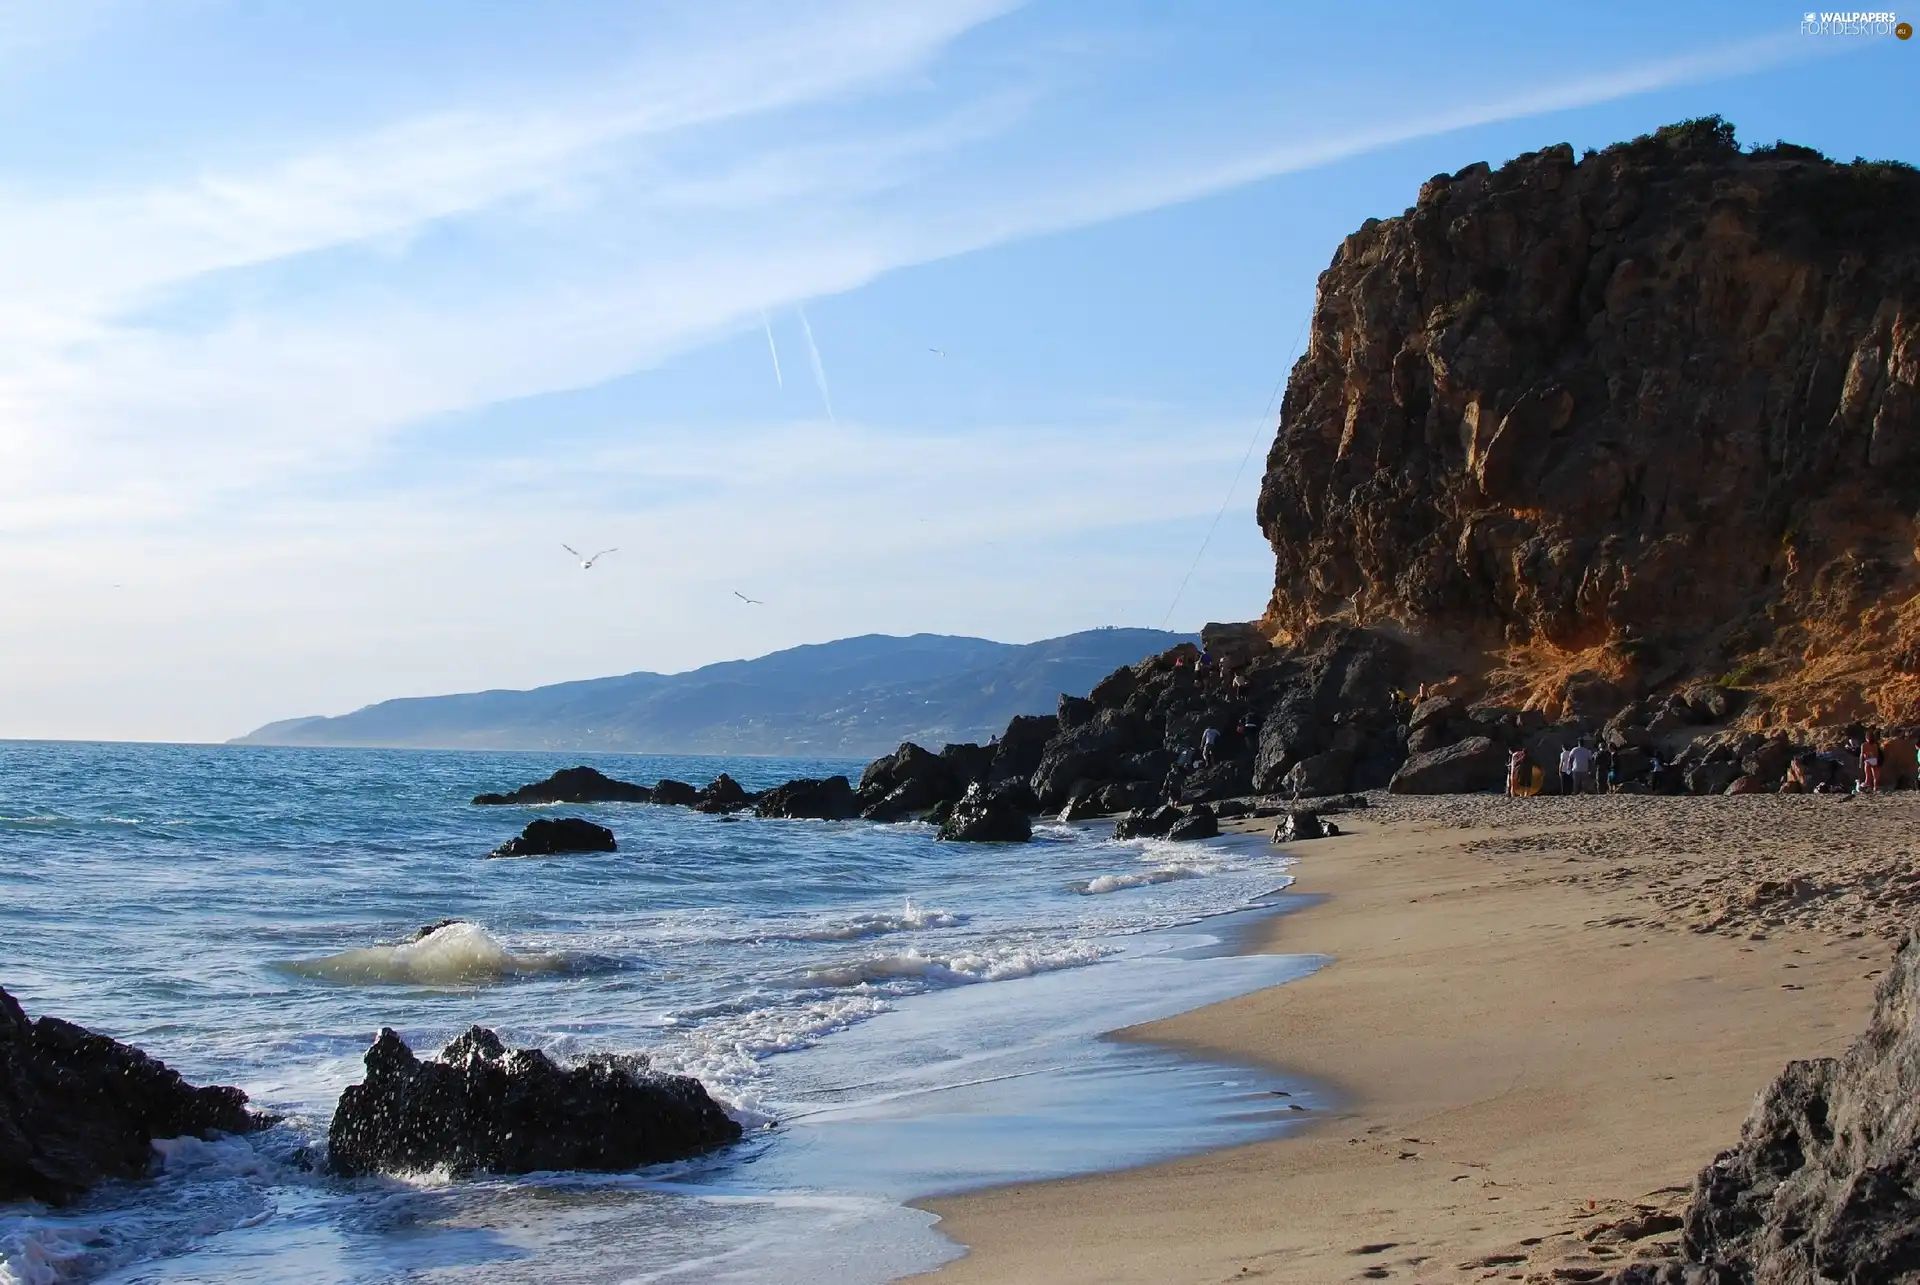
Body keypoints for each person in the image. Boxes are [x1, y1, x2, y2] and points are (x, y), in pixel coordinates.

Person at [1862, 727, 1883, 793]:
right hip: (1874, 760)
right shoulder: (1875, 745)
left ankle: (1867, 784)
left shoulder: (1864, 745)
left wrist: (1862, 761)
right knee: (1875, 776)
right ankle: (1875, 787)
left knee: (1868, 775)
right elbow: (1876, 755)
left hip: (1868, 760)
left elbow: (1862, 754)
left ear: (1866, 738)